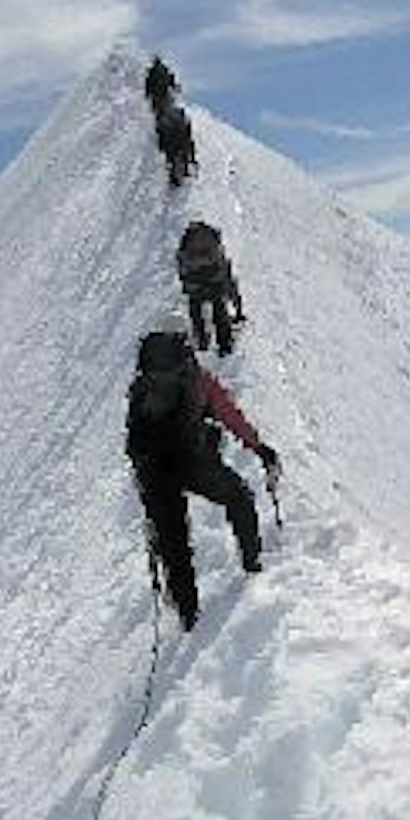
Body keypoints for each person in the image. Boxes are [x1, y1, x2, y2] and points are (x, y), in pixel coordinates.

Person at [126, 321, 281, 631]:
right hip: (192, 463)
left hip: (154, 473)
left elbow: (134, 437)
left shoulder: (142, 384)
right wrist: (258, 447)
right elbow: (229, 414)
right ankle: (252, 564)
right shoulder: (195, 377)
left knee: (173, 543)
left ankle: (188, 616)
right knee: (239, 496)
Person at [177, 220, 244, 353]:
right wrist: (238, 309)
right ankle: (225, 345)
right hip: (215, 283)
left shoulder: (185, 248)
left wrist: (188, 287)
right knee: (219, 308)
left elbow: (182, 273)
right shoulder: (215, 248)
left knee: (196, 309)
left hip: (195, 286)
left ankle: (201, 341)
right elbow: (228, 278)